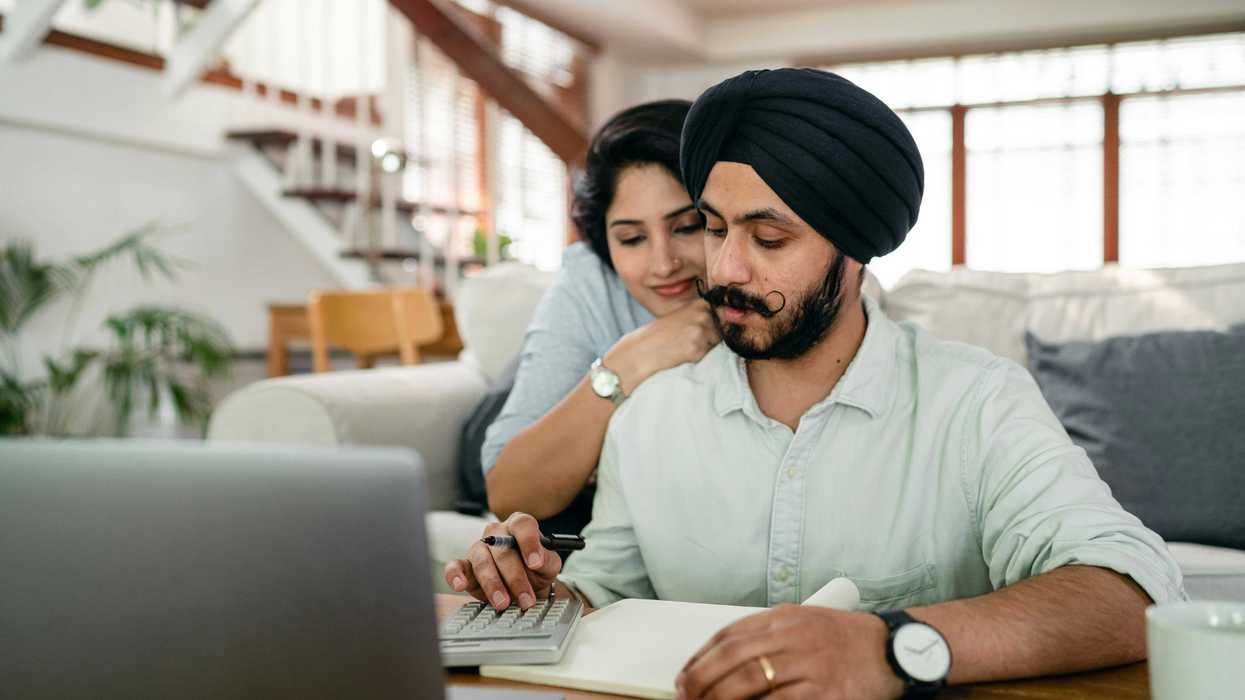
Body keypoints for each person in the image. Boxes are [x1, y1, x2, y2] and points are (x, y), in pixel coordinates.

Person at [445, 69, 1185, 699]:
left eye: (769, 239)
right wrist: (540, 598)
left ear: (856, 249)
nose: (725, 268)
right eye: (714, 227)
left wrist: (893, 647)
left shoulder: (979, 402)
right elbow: (608, 586)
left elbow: (1130, 593)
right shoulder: (652, 411)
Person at [480, 100, 719, 534]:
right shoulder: (589, 279)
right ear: (604, 240)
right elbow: (509, 492)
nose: (663, 264)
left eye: (687, 227)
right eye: (631, 238)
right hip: (518, 417)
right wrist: (630, 359)